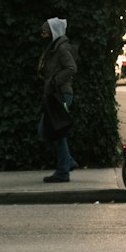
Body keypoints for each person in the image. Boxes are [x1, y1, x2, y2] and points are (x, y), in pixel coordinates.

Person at [38, 17, 78, 183]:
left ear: (53, 32)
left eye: (45, 32)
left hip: (61, 94)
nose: (43, 35)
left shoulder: (61, 49)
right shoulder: (53, 48)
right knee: (46, 131)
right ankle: (67, 162)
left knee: (56, 132)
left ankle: (63, 171)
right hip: (54, 94)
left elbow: (71, 68)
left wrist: (55, 81)